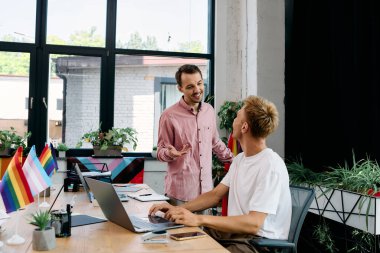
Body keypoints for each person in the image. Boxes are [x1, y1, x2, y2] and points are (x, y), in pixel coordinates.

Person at [150, 95, 291, 253]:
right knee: (181, 241)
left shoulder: (270, 165)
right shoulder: (240, 160)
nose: (234, 121)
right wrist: (177, 209)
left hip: (259, 242)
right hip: (234, 234)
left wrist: (198, 218)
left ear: (244, 127)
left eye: (237, 116)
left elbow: (254, 223)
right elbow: (216, 195)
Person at [156, 64, 234, 205]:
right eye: (190, 87)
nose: (197, 90)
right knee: (179, 228)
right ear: (180, 88)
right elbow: (160, 151)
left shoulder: (209, 111)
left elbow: (215, 142)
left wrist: (234, 161)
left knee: (204, 228)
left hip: (206, 193)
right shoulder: (169, 116)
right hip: (180, 194)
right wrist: (170, 153)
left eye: (199, 83)